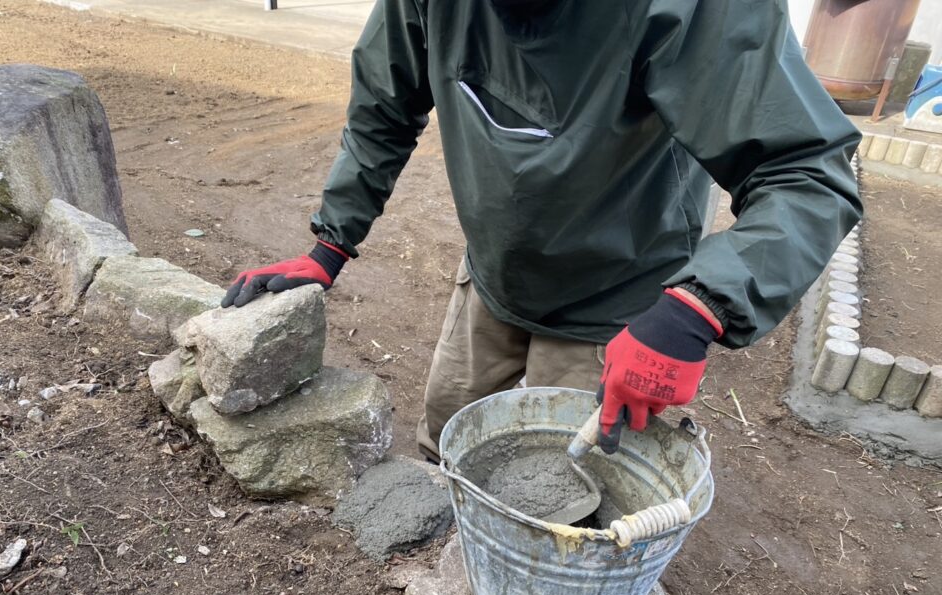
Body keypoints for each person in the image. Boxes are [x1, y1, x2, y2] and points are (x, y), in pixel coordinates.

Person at [221, 0, 862, 460]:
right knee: (446, 443)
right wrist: (329, 244)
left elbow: (805, 172)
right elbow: (384, 107)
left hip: (619, 296)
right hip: (494, 276)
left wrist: (699, 307)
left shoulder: (692, 9)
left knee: (570, 487)